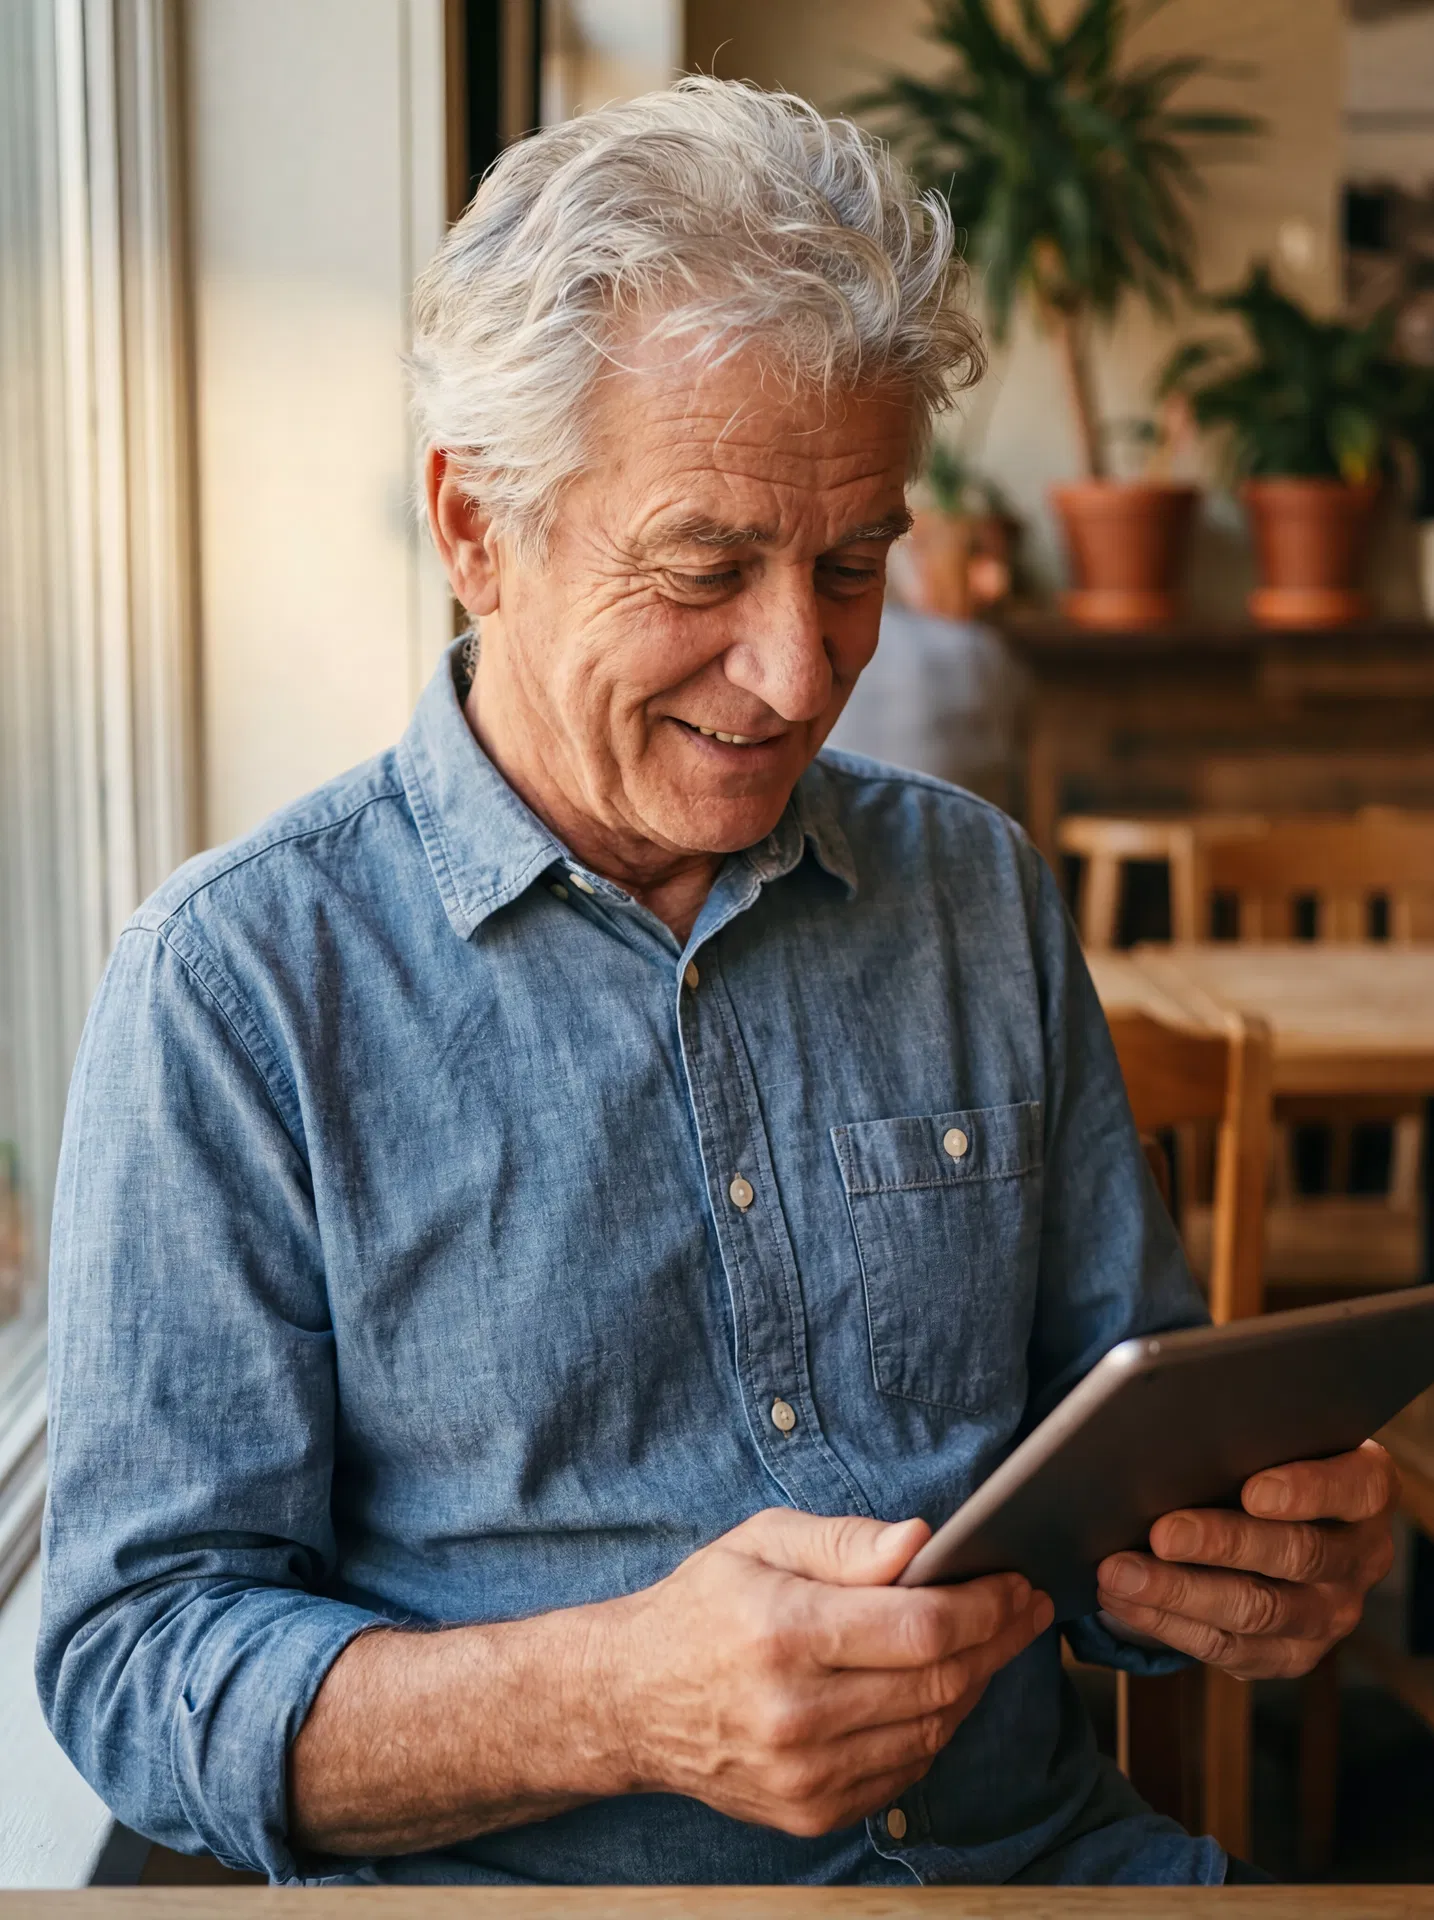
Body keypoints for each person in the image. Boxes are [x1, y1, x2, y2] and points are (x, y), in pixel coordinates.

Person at [38, 80, 1395, 1888]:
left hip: (1040, 1872)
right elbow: (135, 1670)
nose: (794, 668)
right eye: (702, 568)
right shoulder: (235, 984)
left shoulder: (972, 889)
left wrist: (1232, 1573)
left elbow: (1108, 1469)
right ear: (473, 529)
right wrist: (610, 1701)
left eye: (854, 567)